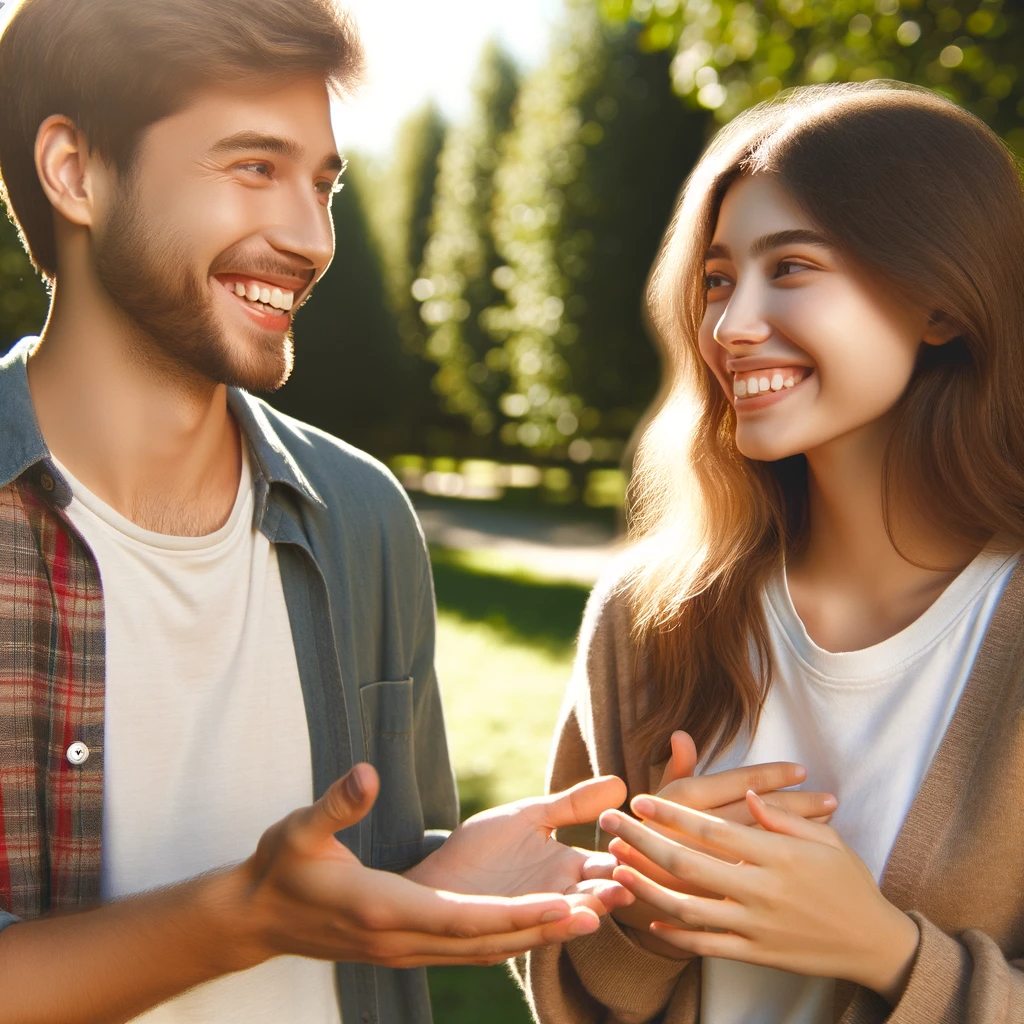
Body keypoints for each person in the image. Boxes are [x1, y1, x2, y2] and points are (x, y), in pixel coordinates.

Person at [0, 1, 633, 1021]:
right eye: (254, 167)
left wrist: (440, 883)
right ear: (75, 170)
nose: (310, 238)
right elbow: (275, 907)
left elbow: (360, 883)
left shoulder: (362, 516)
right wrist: (246, 914)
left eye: (322, 183)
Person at [514, 81, 1024, 1023]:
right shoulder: (646, 616)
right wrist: (648, 919)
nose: (729, 326)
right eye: (716, 279)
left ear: (942, 304)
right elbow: (575, 989)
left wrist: (887, 952)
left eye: (790, 268)